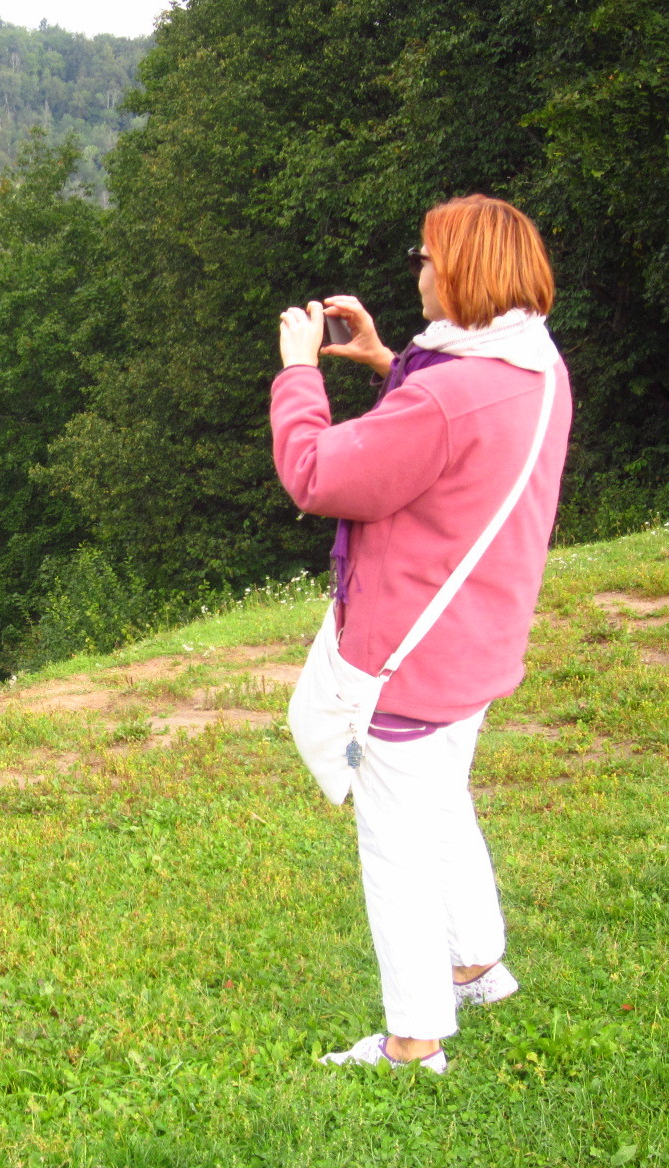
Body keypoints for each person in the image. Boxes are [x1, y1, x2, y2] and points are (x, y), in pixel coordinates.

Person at [270, 195, 571, 1072]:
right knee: (441, 799)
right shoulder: (534, 362)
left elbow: (317, 474)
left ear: (463, 274)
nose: (418, 272)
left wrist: (299, 372)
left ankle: (414, 1039)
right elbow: (451, 423)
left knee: (396, 842)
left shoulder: (444, 396)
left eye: (426, 259)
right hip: (477, 641)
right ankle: (475, 963)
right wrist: (382, 357)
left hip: (410, 656)